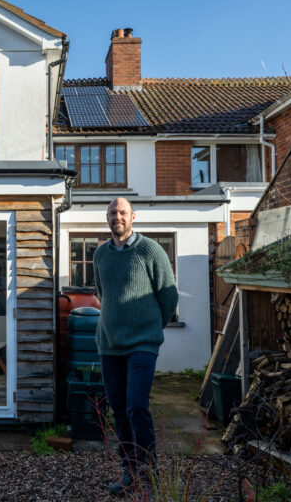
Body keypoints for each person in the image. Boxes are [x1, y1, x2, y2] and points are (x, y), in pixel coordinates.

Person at [93, 197, 179, 496]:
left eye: (123, 212)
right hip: (109, 344)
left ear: (133, 217)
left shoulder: (150, 251)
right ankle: (130, 473)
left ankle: (150, 472)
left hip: (143, 343)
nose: (118, 217)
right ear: (107, 218)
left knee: (136, 407)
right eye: (113, 213)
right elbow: (102, 293)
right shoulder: (101, 254)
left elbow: (168, 296)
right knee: (118, 409)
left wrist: (152, 327)